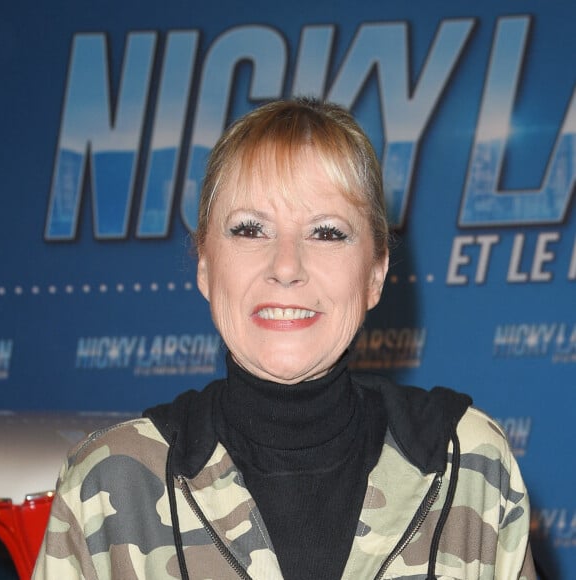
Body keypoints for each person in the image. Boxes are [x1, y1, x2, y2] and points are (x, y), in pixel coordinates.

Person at [33, 98, 535, 579]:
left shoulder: (468, 464)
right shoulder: (111, 482)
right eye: (251, 229)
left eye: (327, 232)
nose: (287, 266)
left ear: (376, 274)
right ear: (205, 265)